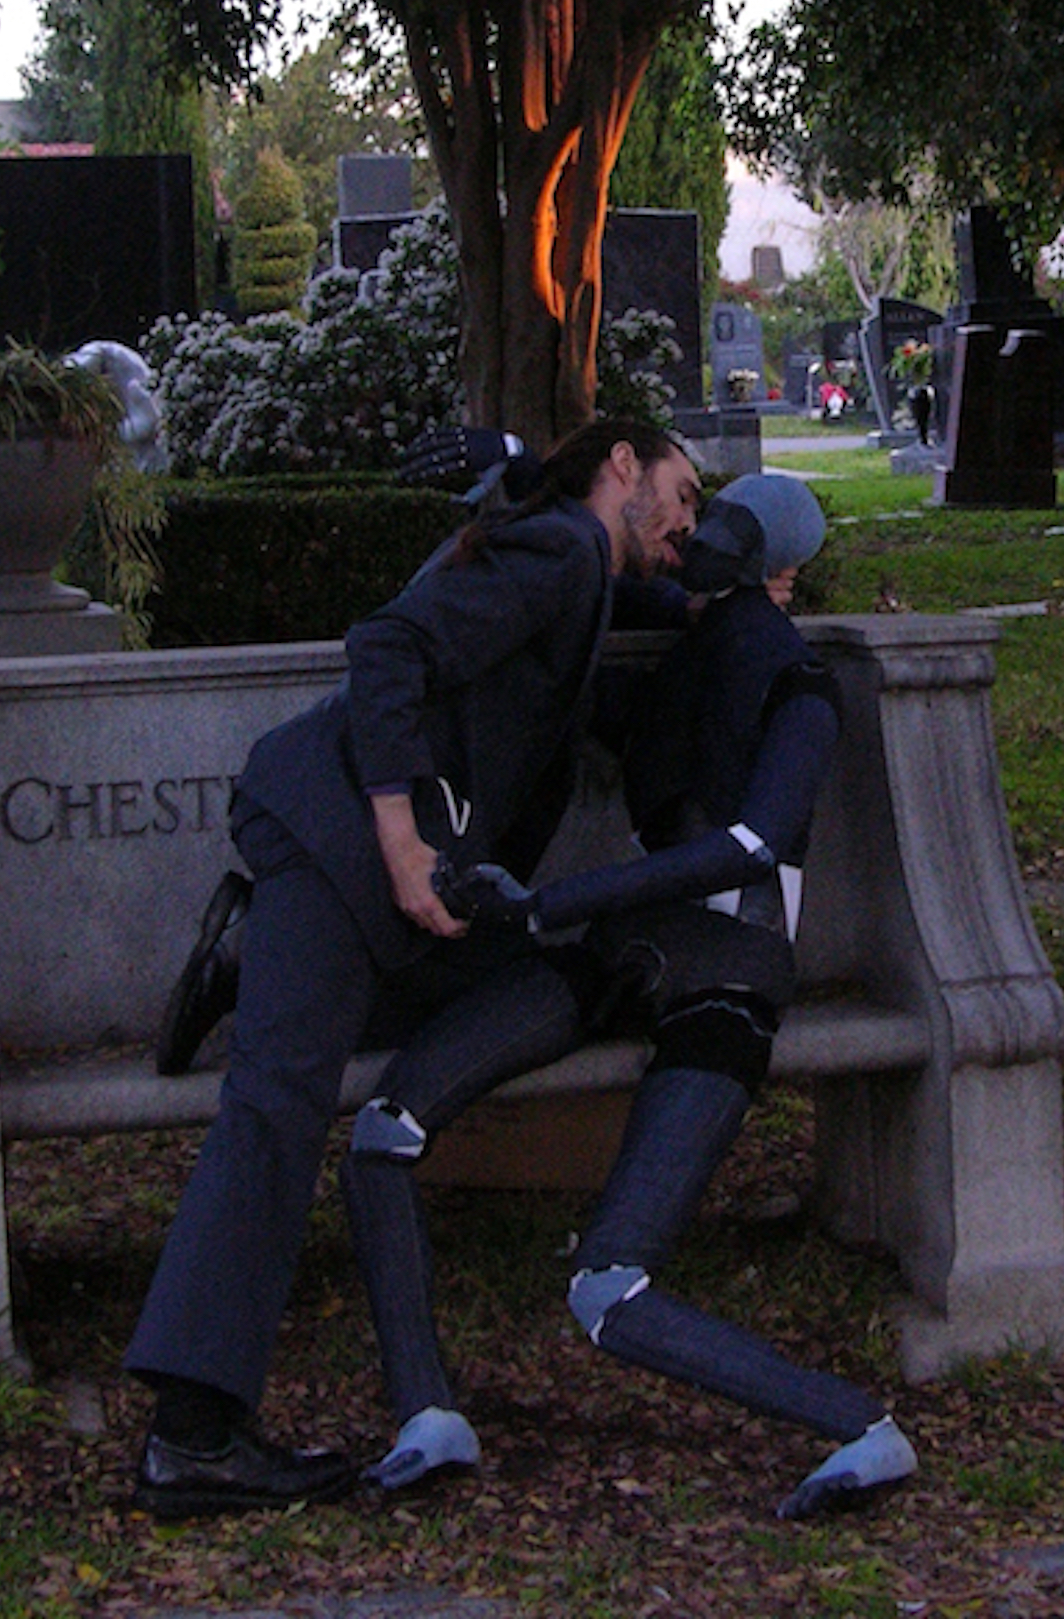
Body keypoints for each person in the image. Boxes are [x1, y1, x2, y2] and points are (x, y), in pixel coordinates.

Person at [127, 416, 702, 1519]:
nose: (687, 519)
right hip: (340, 836)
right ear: (622, 465)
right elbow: (386, 646)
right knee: (278, 1105)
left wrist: (707, 595)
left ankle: (243, 957)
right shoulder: (563, 550)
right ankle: (190, 1434)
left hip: (354, 851)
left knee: (514, 972)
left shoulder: (573, 557)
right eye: (681, 492)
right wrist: (402, 845)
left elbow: (584, 593)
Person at [339, 475, 918, 1521]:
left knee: (611, 1287)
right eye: (690, 517)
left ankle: (859, 1427)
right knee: (385, 1127)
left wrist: (550, 900)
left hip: (723, 974)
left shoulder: (787, 676)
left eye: (721, 525)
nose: (693, 537)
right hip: (623, 949)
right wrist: (506, 493)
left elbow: (750, 841)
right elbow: (523, 596)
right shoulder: (700, 636)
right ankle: (424, 1412)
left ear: (774, 568)